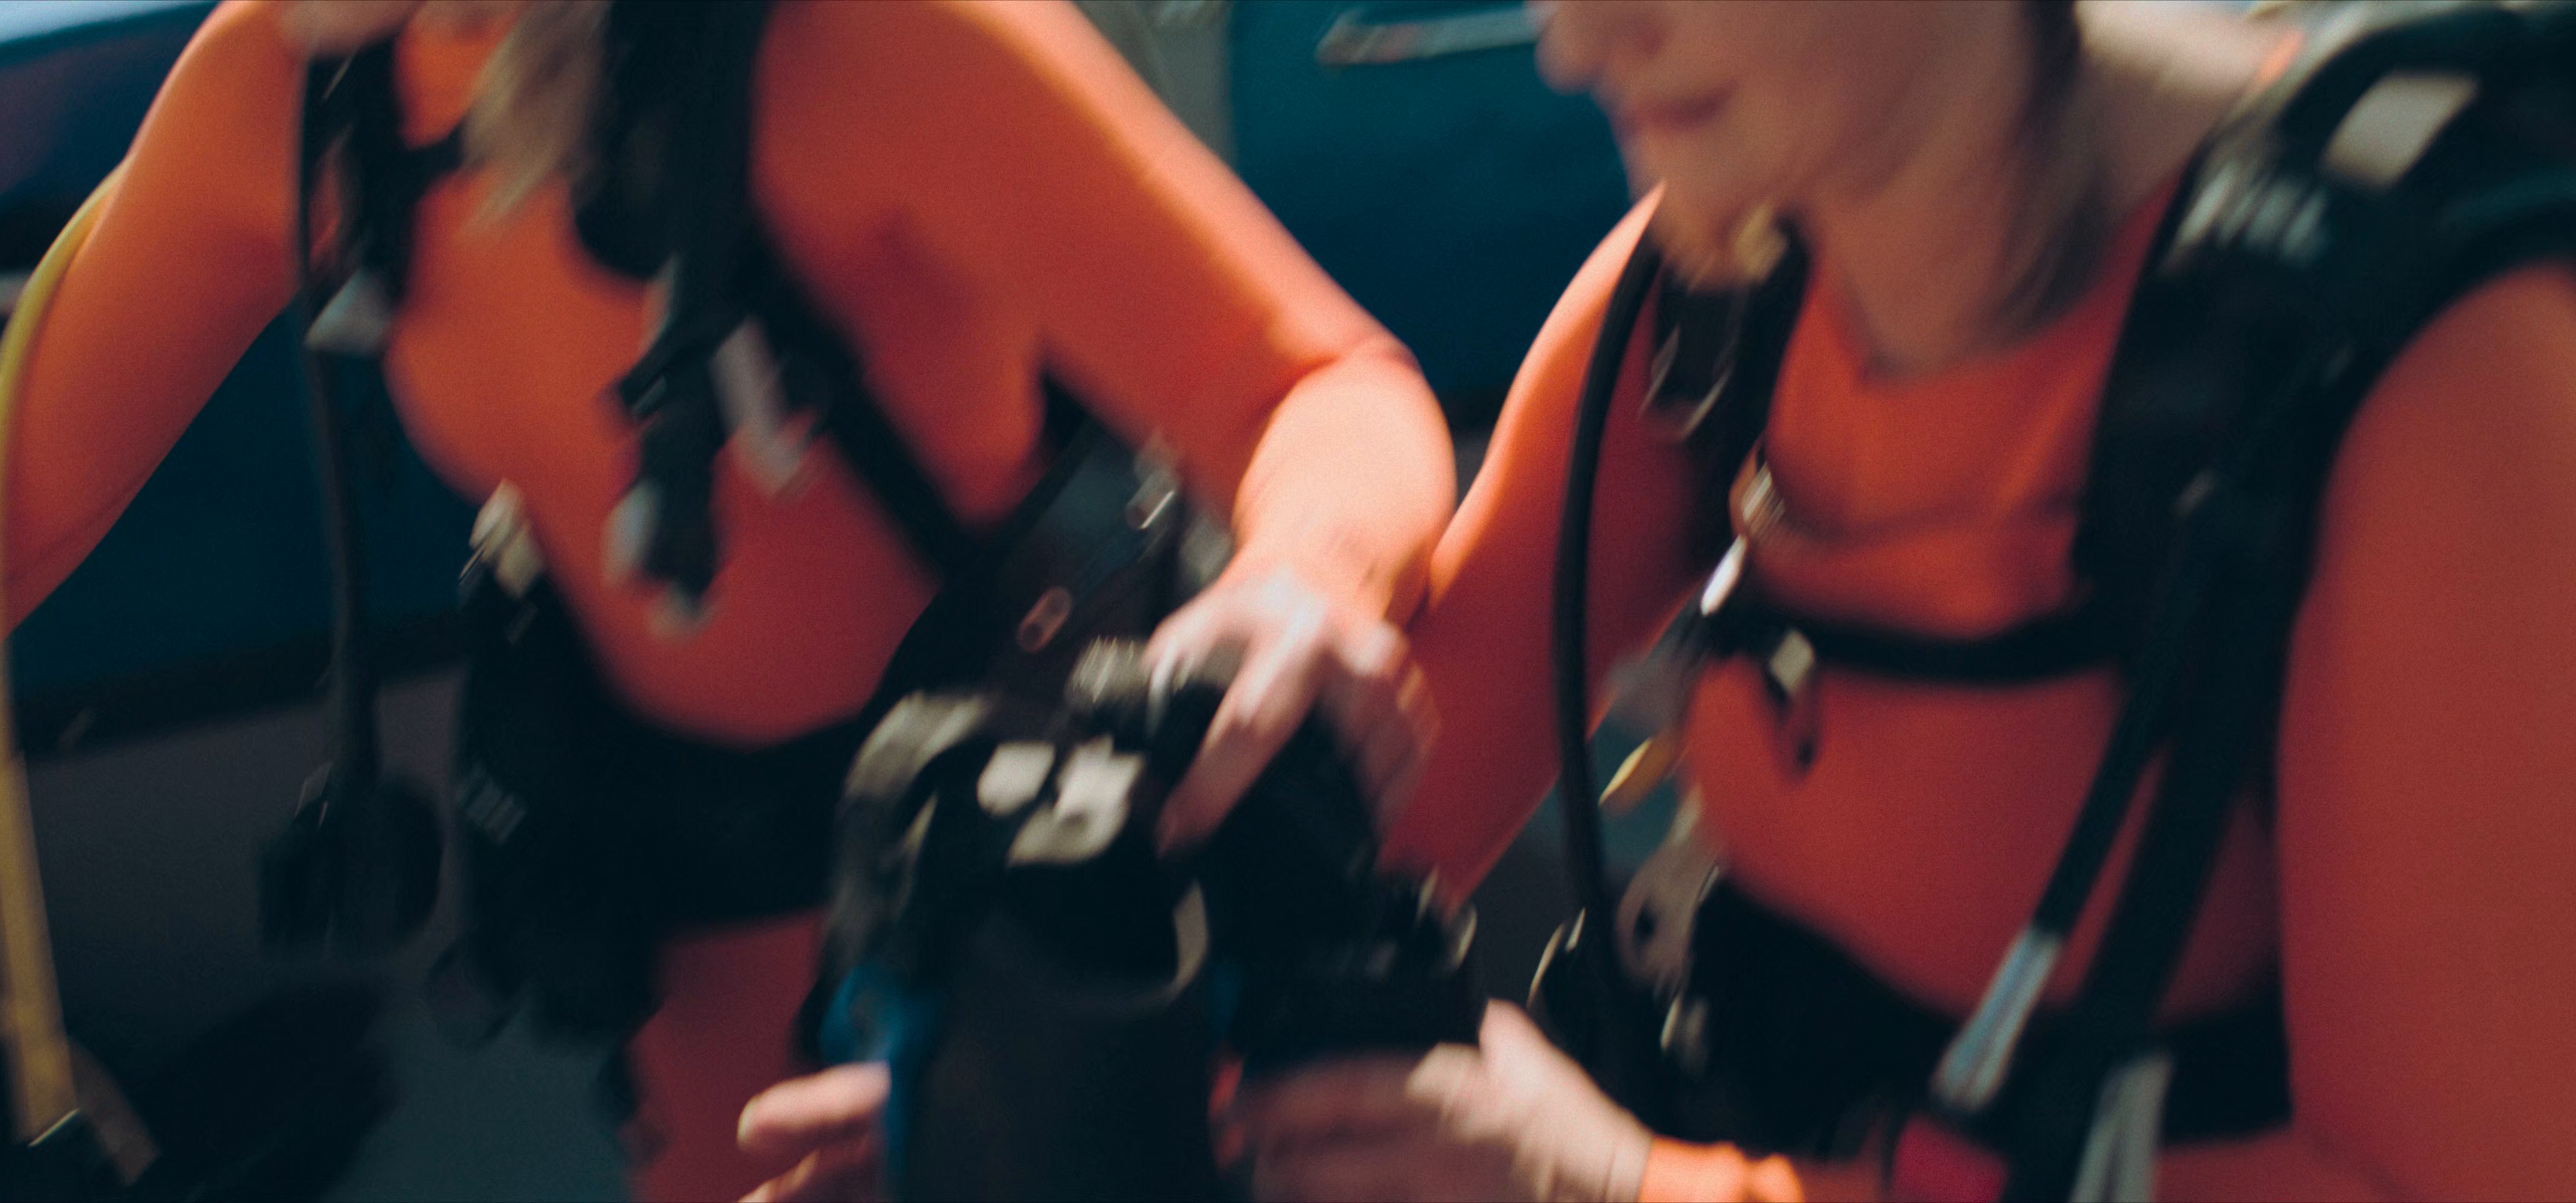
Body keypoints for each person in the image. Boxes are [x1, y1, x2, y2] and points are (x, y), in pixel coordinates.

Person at [740, 2, 2576, 1199]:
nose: (1573, 41)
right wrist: (1030, 1080)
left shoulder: (2428, 376)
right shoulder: (1721, 283)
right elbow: (1390, 793)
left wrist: (1627, 1186)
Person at [0, 1, 1454, 1198]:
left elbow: (1313, 384)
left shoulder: (864, 42)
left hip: (1023, 926)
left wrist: (1310, 573)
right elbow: (11, 497)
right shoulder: (300, 81)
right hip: (673, 913)